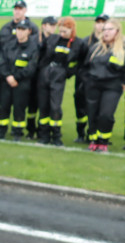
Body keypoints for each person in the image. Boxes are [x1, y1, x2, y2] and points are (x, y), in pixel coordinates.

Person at [83, 18, 125, 152]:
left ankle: (103, 141)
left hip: (112, 86)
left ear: (117, 31)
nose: (105, 32)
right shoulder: (96, 47)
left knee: (106, 114)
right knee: (92, 113)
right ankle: (94, 139)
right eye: (104, 29)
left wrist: (123, 80)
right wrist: (87, 80)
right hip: (93, 85)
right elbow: (85, 66)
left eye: (109, 29)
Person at [36, 16, 84, 146]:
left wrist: (69, 72)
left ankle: (56, 136)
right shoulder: (53, 39)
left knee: (55, 107)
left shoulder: (78, 43)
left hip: (59, 78)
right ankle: (44, 136)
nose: (62, 34)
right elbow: (41, 54)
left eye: (65, 31)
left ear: (72, 29)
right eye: (60, 30)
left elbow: (81, 61)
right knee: (44, 107)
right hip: (45, 75)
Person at [0, 19, 40, 141]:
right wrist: (8, 76)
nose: (20, 32)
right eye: (18, 29)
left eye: (23, 29)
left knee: (19, 109)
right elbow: (2, 62)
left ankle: (17, 133)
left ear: (29, 31)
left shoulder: (33, 48)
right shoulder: (9, 45)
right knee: (4, 107)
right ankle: (1, 131)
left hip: (22, 83)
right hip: (6, 82)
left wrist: (16, 77)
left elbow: (31, 67)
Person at [75, 15, 108, 142]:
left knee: (97, 108)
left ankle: (93, 134)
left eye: (103, 23)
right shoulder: (85, 42)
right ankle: (80, 133)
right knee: (80, 106)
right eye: (98, 22)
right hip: (83, 80)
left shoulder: (110, 43)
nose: (100, 25)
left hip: (100, 81)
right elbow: (79, 62)